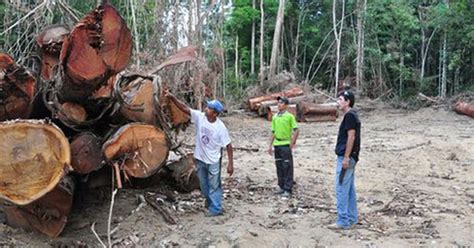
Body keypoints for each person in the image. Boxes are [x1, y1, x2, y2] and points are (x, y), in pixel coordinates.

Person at [165, 89, 234, 217]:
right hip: (200, 159)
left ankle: (216, 208)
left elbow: (229, 146)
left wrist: (230, 164)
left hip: (213, 160)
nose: (206, 109)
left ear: (215, 113)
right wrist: (172, 98)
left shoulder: (220, 128)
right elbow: (185, 108)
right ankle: (210, 201)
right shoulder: (200, 117)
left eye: (209, 108)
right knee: (203, 184)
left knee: (214, 185)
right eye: (207, 107)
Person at [329, 90, 361, 230]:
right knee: (349, 189)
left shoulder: (349, 116)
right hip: (350, 156)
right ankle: (352, 217)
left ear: (347, 102)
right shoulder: (352, 115)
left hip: (347, 157)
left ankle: (343, 220)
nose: (338, 102)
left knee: (341, 188)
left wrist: (346, 157)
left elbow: (351, 137)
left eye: (340, 99)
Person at [267, 96, 299, 198]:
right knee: (279, 166)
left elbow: (296, 130)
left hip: (285, 144)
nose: (279, 105)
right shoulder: (275, 117)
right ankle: (281, 186)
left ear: (286, 105)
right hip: (277, 145)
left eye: (281, 103)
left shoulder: (290, 117)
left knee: (287, 167)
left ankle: (288, 189)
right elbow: (273, 132)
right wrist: (270, 145)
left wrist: (292, 143)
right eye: (278, 103)